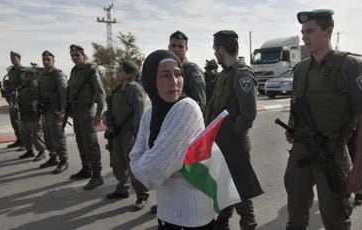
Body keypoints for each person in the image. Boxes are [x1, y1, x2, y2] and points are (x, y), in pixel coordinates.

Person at [284, 9, 362, 230]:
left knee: (335, 218)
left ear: (328, 31)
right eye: (303, 32)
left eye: (311, 31)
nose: (305, 37)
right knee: (295, 217)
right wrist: (292, 127)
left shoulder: (349, 68)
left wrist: (357, 169)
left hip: (332, 153)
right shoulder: (301, 69)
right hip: (302, 150)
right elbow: (296, 103)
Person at [129, 50, 215, 229]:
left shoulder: (187, 109)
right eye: (165, 75)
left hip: (192, 218)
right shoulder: (150, 114)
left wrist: (144, 163)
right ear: (151, 80)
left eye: (177, 74)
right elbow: (136, 157)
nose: (174, 82)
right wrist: (149, 163)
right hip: (167, 214)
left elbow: (152, 174)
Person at [204, 30, 263, 230]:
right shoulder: (224, 75)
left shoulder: (242, 74)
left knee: (240, 185)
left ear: (221, 49)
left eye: (215, 49)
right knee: (225, 182)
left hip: (234, 141)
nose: (214, 54)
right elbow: (214, 106)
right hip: (220, 140)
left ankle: (249, 223)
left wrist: (230, 134)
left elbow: (248, 114)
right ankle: (222, 221)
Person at [103, 59, 149, 210]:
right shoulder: (117, 90)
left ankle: (142, 195)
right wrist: (105, 115)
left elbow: (139, 113)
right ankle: (122, 189)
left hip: (129, 133)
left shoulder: (135, 90)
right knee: (117, 165)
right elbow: (111, 108)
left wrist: (136, 135)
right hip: (116, 133)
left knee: (134, 166)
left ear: (129, 75)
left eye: (121, 71)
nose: (117, 73)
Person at [68, 44, 106, 190]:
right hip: (77, 111)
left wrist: (98, 113)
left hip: (87, 111)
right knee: (80, 142)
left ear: (83, 55)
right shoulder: (74, 70)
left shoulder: (90, 70)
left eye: (77, 55)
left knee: (91, 143)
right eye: (72, 55)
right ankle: (86, 169)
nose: (74, 58)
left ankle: (97, 175)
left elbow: (100, 92)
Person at [38, 50, 69, 174]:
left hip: (55, 111)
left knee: (58, 136)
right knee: (48, 135)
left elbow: (64, 93)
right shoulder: (43, 74)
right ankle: (53, 157)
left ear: (53, 61)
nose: (45, 62)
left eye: (48, 60)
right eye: (44, 60)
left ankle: (64, 160)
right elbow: (39, 91)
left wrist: (63, 111)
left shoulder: (58, 74)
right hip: (45, 110)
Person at [168, 30, 206, 111]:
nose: (176, 49)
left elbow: (199, 103)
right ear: (169, 47)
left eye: (180, 46)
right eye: (173, 46)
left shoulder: (192, 70)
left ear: (186, 48)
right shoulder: (165, 69)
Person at [17, 68, 46, 160]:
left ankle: (41, 152)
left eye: (26, 75)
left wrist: (30, 107)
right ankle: (29, 151)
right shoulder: (24, 86)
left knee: (36, 134)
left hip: (33, 114)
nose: (24, 76)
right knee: (25, 134)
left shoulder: (36, 86)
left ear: (32, 76)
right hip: (24, 114)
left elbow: (35, 100)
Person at [4, 51, 25, 148]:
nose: (12, 60)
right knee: (14, 120)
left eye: (14, 58)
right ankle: (19, 139)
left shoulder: (23, 70)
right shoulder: (11, 70)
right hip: (12, 97)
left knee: (20, 119)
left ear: (19, 58)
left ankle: (25, 141)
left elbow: (24, 84)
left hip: (20, 97)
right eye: (11, 58)